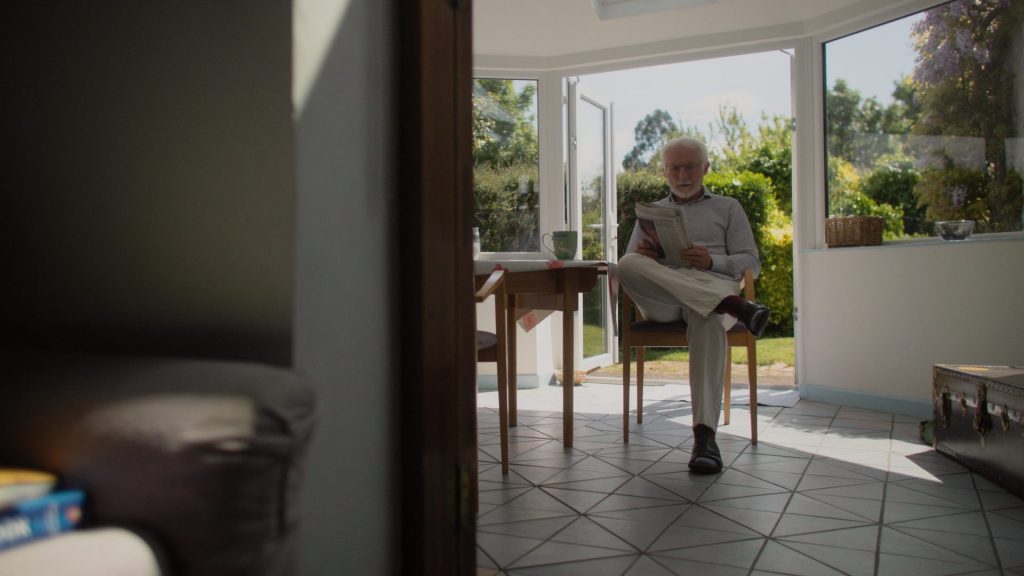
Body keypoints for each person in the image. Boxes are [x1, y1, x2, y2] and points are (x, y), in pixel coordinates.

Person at [618, 136, 769, 474]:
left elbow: (751, 263)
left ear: (706, 168)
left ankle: (705, 438)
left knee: (710, 318)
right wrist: (648, 256)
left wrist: (711, 261)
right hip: (666, 301)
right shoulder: (651, 213)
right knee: (627, 264)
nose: (682, 175)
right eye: (674, 168)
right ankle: (734, 304)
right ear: (664, 171)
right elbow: (630, 264)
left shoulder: (728, 207)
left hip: (710, 286)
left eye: (689, 167)